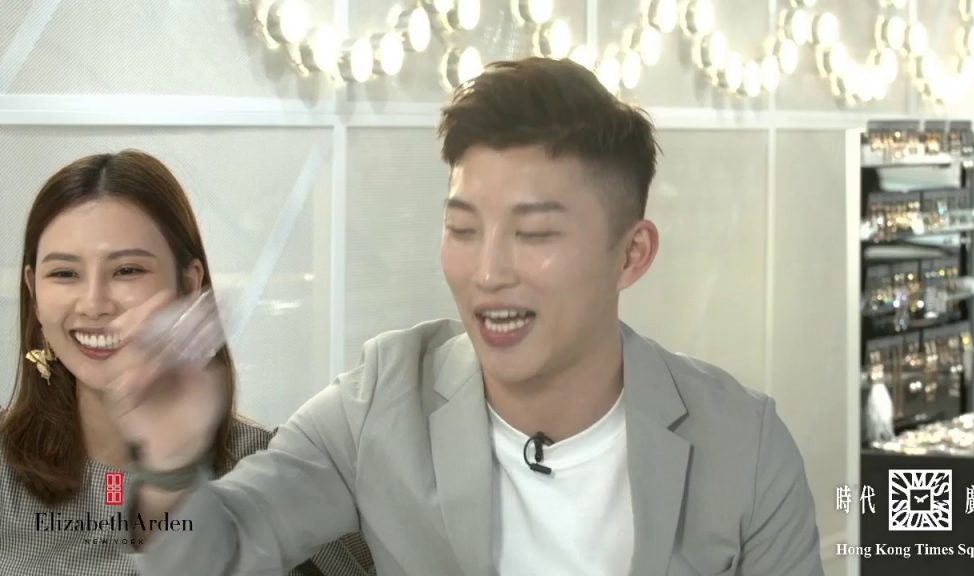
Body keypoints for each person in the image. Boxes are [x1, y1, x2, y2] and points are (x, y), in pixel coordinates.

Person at [116, 58, 824, 575]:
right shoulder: (381, 401)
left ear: (630, 255)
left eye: (535, 233)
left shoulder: (745, 445)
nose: (487, 272)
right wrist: (169, 464)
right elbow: (210, 555)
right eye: (462, 228)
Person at [0, 150, 373, 576]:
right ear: (33, 290)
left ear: (189, 283)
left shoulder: (275, 470)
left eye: (127, 270)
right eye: (65, 274)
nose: (94, 303)